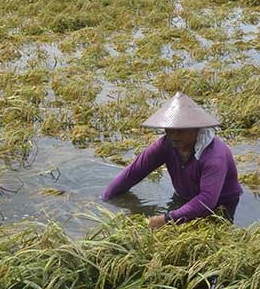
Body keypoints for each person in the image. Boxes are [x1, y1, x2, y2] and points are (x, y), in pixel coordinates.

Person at [102, 92, 243, 230]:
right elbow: (133, 172)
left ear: (195, 129)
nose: (173, 135)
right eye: (169, 130)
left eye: (180, 131)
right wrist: (105, 199)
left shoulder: (214, 156)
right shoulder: (165, 145)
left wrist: (166, 219)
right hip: (184, 198)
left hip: (219, 205)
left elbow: (207, 201)